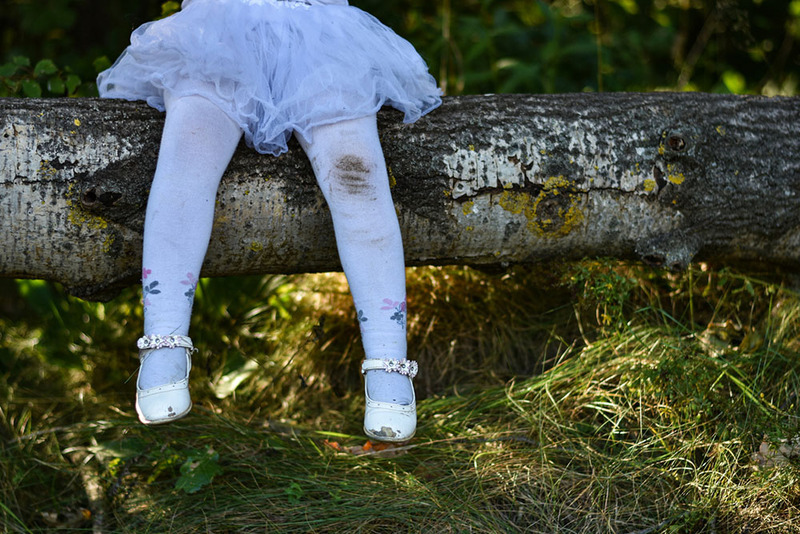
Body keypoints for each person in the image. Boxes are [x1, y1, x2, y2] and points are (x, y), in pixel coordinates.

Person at [97, 0, 441, 442]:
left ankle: (389, 361)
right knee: (188, 153)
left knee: (357, 175)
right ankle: (163, 337)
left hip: (321, 36)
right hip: (221, 31)